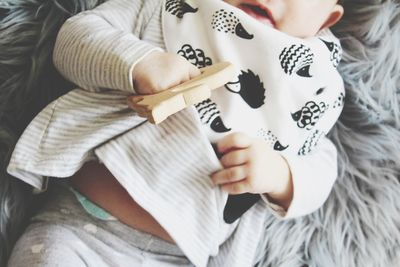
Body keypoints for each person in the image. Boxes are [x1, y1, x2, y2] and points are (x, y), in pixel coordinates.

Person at [7, 0, 344, 266]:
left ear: (327, 19)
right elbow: (75, 38)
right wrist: (139, 62)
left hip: (184, 258)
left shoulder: (312, 86)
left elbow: (323, 163)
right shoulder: (169, 10)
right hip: (79, 231)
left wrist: (280, 175)